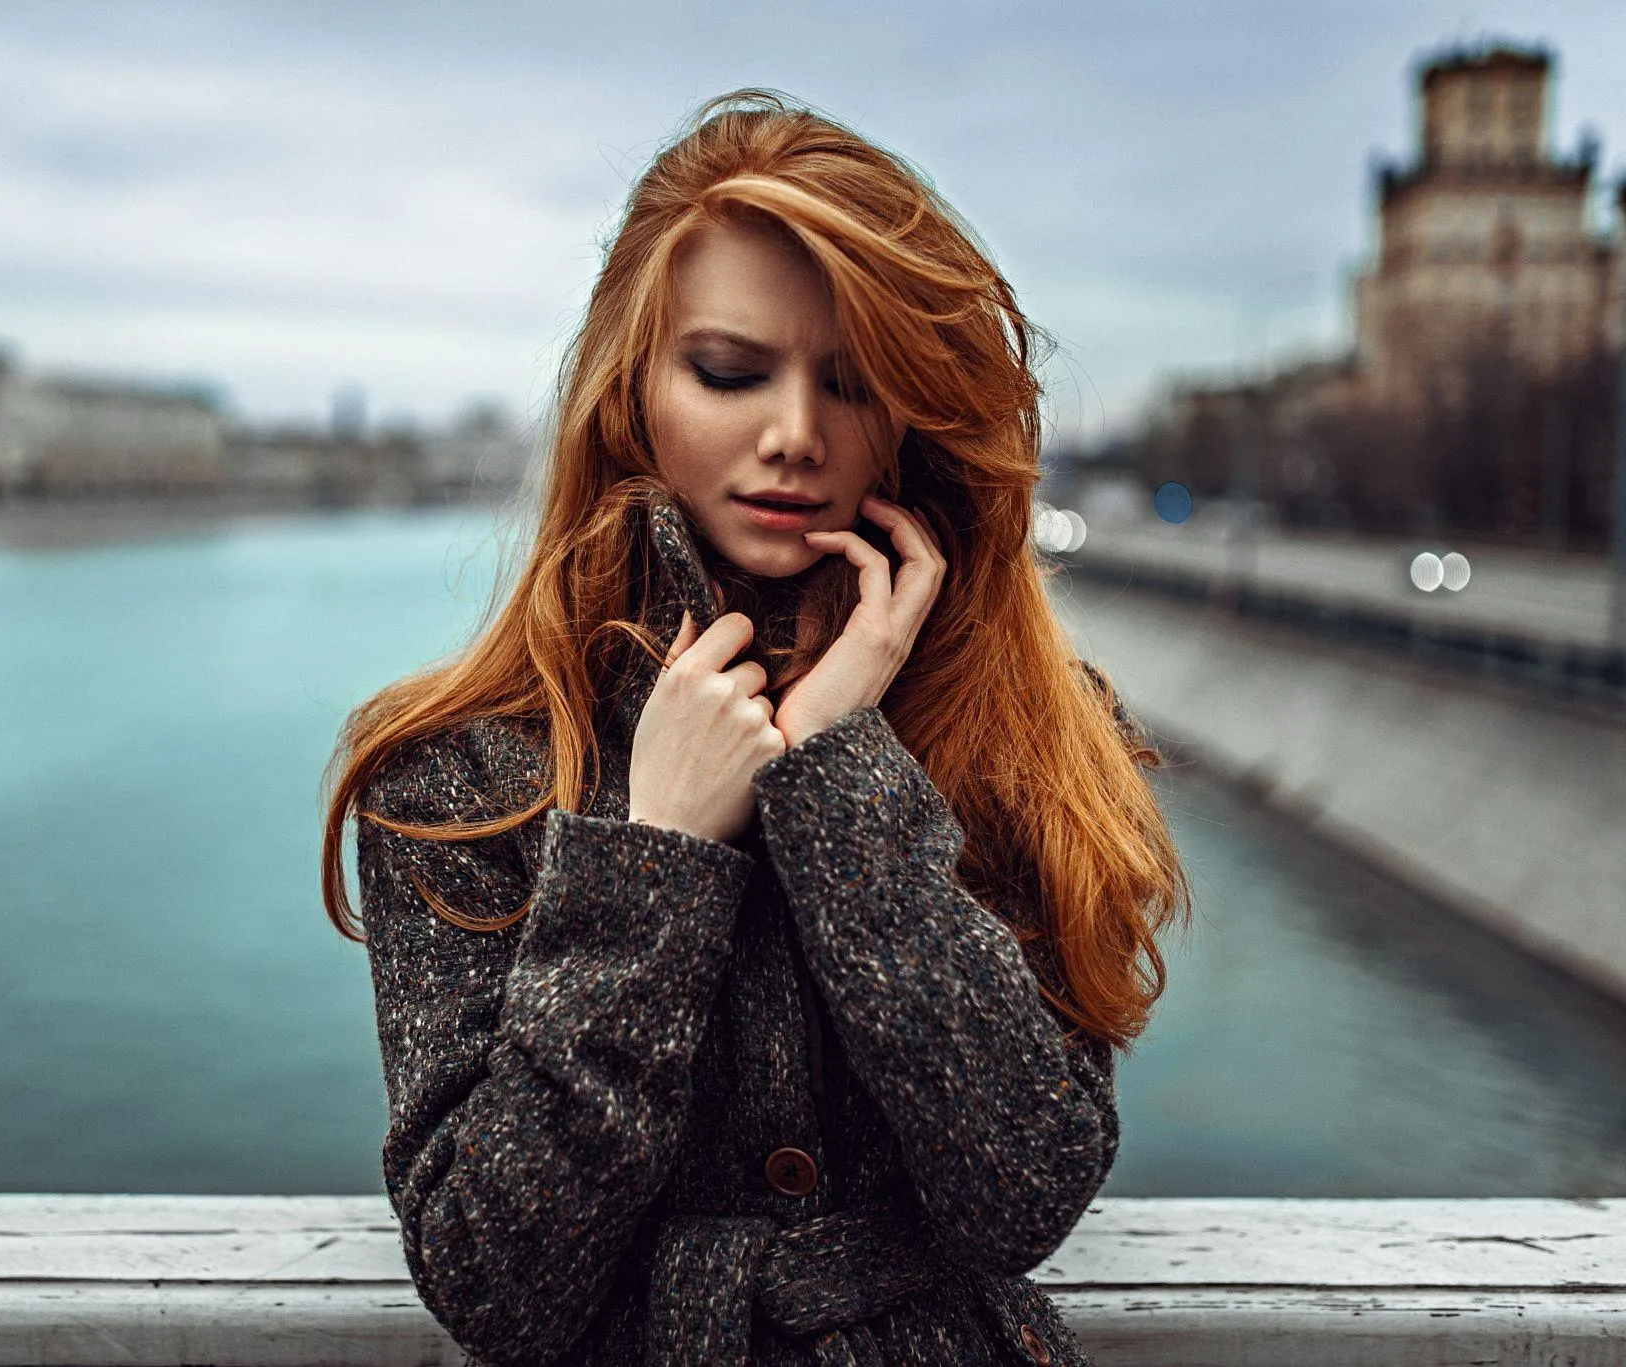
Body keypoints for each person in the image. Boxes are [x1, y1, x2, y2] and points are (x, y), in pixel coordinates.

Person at [320, 89, 1189, 1367]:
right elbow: (493, 1280)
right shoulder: (455, 773)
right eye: (727, 372)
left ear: (907, 413)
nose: (793, 435)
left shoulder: (1035, 732)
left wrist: (841, 775)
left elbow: (1023, 1190)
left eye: (849, 383)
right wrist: (650, 857)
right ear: (631, 390)